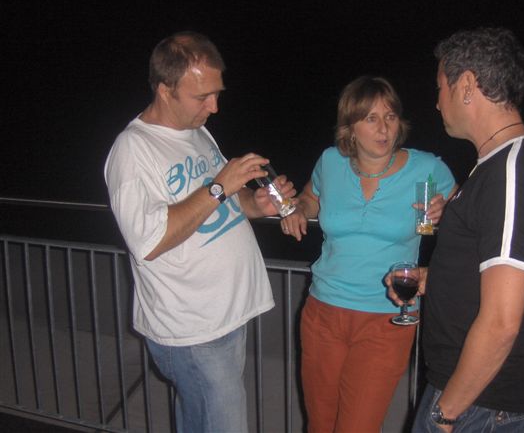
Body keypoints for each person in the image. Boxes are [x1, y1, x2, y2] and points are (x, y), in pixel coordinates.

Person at [104, 31, 296, 433]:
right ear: (165, 90)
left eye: (217, 93)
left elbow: (225, 202)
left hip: (225, 316)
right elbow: (150, 241)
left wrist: (254, 204)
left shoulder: (197, 132)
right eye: (202, 97)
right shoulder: (132, 151)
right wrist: (220, 186)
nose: (214, 106)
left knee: (198, 421)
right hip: (191, 328)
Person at [387, 28, 524, 432]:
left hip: (482, 403)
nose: (437, 102)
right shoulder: (504, 165)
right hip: (479, 397)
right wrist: (433, 278)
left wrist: (445, 413)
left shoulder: (512, 173)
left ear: (466, 85)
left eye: (440, 88)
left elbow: (502, 323)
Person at [281, 76, 456, 433]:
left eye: (390, 117)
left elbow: (470, 219)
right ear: (350, 127)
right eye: (371, 118)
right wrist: (298, 208)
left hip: (388, 316)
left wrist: (447, 211)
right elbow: (311, 197)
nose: (384, 128)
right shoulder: (330, 162)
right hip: (323, 311)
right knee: (320, 424)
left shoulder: (427, 168)